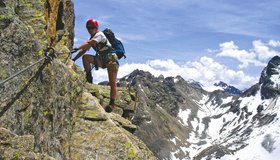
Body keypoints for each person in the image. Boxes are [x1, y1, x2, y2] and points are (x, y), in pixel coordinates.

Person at [71, 19, 119, 113]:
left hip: (111, 59)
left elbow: (89, 44)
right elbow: (84, 50)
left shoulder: (99, 35)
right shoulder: (92, 38)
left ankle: (112, 104)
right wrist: (73, 59)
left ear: (96, 28)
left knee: (112, 82)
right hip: (103, 60)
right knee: (86, 58)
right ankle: (89, 80)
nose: (90, 30)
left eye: (92, 27)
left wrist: (76, 48)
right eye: (88, 28)